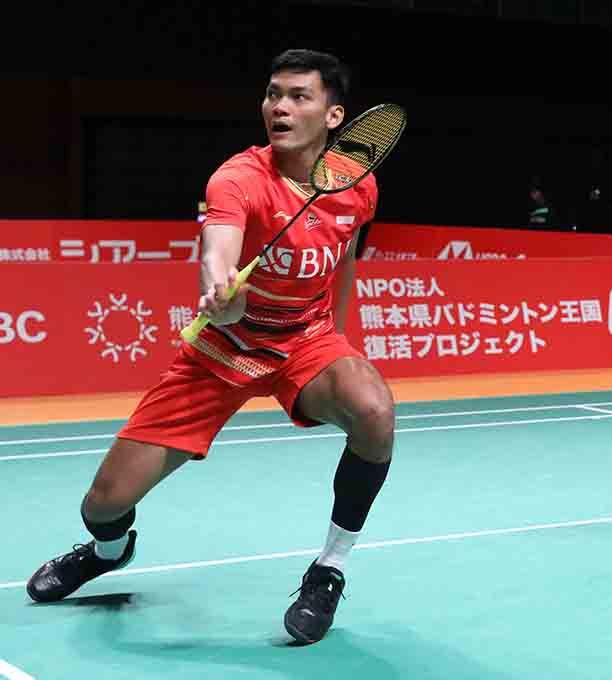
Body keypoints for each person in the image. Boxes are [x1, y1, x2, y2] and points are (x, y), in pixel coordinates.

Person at [25, 49, 395, 643]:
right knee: (102, 502)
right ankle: (107, 551)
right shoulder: (238, 178)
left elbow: (346, 256)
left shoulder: (357, 184)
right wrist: (222, 292)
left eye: (299, 95)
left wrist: (340, 337)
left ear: (333, 115)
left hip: (305, 342)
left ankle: (329, 569)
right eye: (273, 93)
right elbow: (218, 252)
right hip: (220, 352)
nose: (280, 106)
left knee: (375, 412)